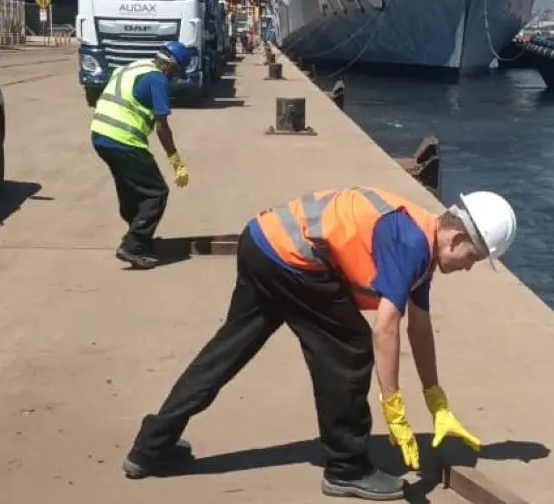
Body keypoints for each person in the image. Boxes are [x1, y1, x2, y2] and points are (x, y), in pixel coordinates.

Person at [121, 186, 518, 500]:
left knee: (228, 350)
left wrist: (436, 400)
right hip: (292, 260)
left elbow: (420, 326)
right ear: (457, 238)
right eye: (473, 258)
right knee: (350, 348)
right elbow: (386, 328)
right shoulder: (412, 244)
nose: (469, 268)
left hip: (262, 240)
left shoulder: (420, 239)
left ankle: (152, 446)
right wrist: (393, 407)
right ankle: (347, 468)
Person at [90, 42, 196, 269]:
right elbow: (162, 126)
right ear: (170, 66)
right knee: (156, 192)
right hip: (123, 140)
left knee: (131, 189)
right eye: (175, 73)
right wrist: (175, 160)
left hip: (100, 135)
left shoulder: (134, 66)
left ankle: (138, 235)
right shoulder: (157, 79)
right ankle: (133, 244)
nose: (173, 79)